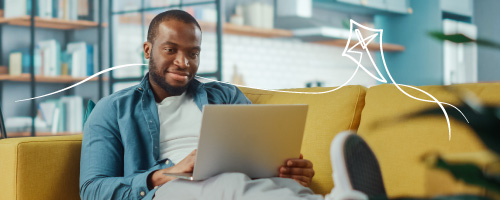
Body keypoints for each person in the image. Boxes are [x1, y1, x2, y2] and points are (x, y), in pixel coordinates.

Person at [79, 10, 322, 200]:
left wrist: (287, 171)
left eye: (193, 53)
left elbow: (257, 156)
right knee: (230, 184)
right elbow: (92, 189)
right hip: (170, 190)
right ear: (147, 50)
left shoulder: (226, 96)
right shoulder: (112, 109)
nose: (183, 62)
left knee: (285, 186)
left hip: (241, 184)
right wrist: (163, 175)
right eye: (170, 50)